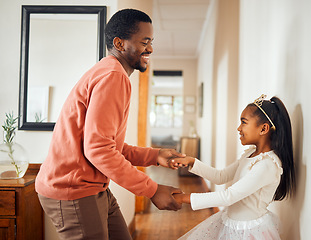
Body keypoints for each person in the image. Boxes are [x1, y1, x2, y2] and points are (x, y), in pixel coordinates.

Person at [35, 9, 184, 240]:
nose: (151, 49)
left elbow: (106, 146)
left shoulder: (111, 72)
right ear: (119, 43)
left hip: (93, 187)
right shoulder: (112, 76)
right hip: (73, 191)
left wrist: (154, 155)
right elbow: (99, 150)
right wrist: (152, 190)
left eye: (151, 42)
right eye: (145, 42)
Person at [171, 94, 295, 240]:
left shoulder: (267, 165)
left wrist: (183, 198)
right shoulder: (250, 155)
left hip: (249, 232)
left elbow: (228, 197)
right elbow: (220, 176)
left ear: (263, 128)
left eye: (244, 122)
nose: (238, 128)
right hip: (231, 225)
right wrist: (193, 162)